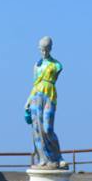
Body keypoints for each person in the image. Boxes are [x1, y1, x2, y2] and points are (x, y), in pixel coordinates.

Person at [24, 36, 68, 169]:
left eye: (46, 49)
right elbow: (35, 84)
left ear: (50, 49)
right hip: (36, 96)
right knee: (37, 128)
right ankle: (42, 158)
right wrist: (28, 101)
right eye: (42, 50)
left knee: (47, 128)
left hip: (49, 95)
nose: (44, 52)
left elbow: (55, 74)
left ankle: (58, 157)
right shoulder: (36, 66)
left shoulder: (56, 65)